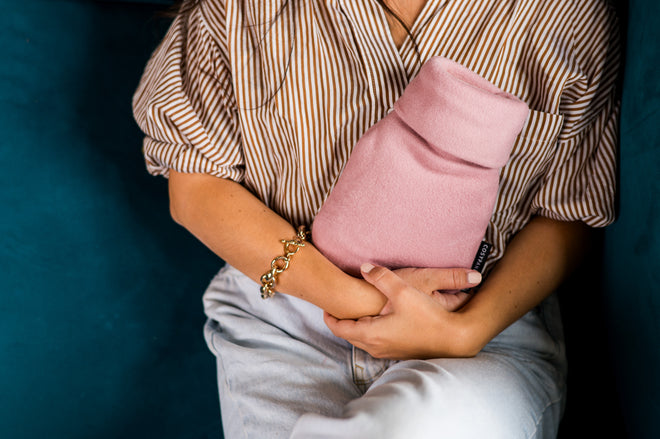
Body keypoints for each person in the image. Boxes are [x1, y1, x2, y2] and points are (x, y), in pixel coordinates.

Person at [132, 0, 621, 437]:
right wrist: (352, 297)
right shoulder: (236, 12)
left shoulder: (568, 17)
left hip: (482, 321)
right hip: (285, 319)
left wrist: (465, 330)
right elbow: (196, 191)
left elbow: (569, 211)